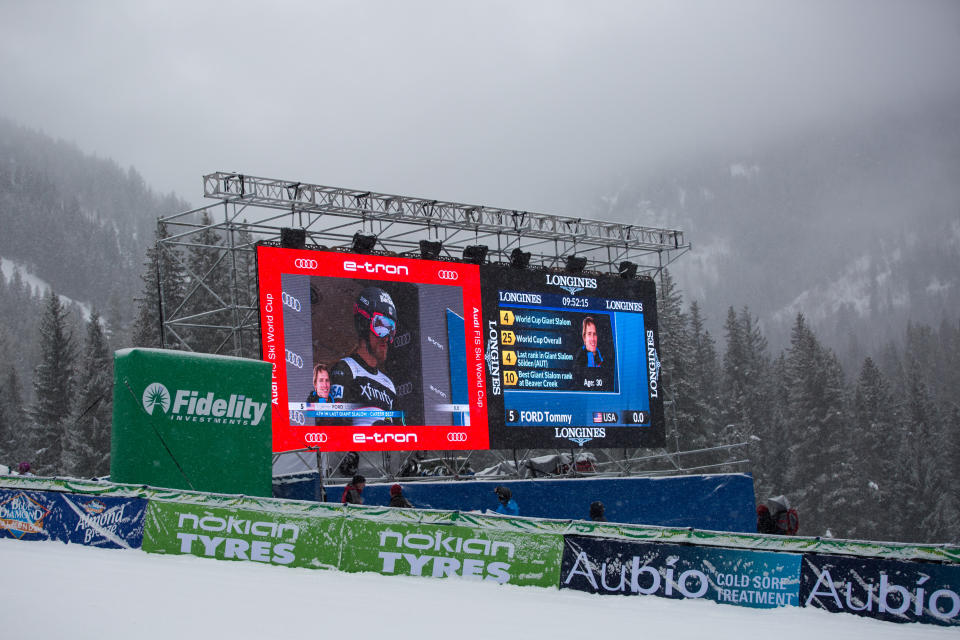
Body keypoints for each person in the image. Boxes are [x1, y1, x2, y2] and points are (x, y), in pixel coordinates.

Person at [329, 286, 400, 425]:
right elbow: (335, 423)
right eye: (380, 326)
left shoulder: (389, 385)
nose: (386, 338)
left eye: (391, 329)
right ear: (364, 324)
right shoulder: (346, 368)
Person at [571, 316, 610, 390]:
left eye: (594, 334)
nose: (592, 339)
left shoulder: (605, 359)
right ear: (584, 337)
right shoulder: (578, 360)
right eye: (589, 334)